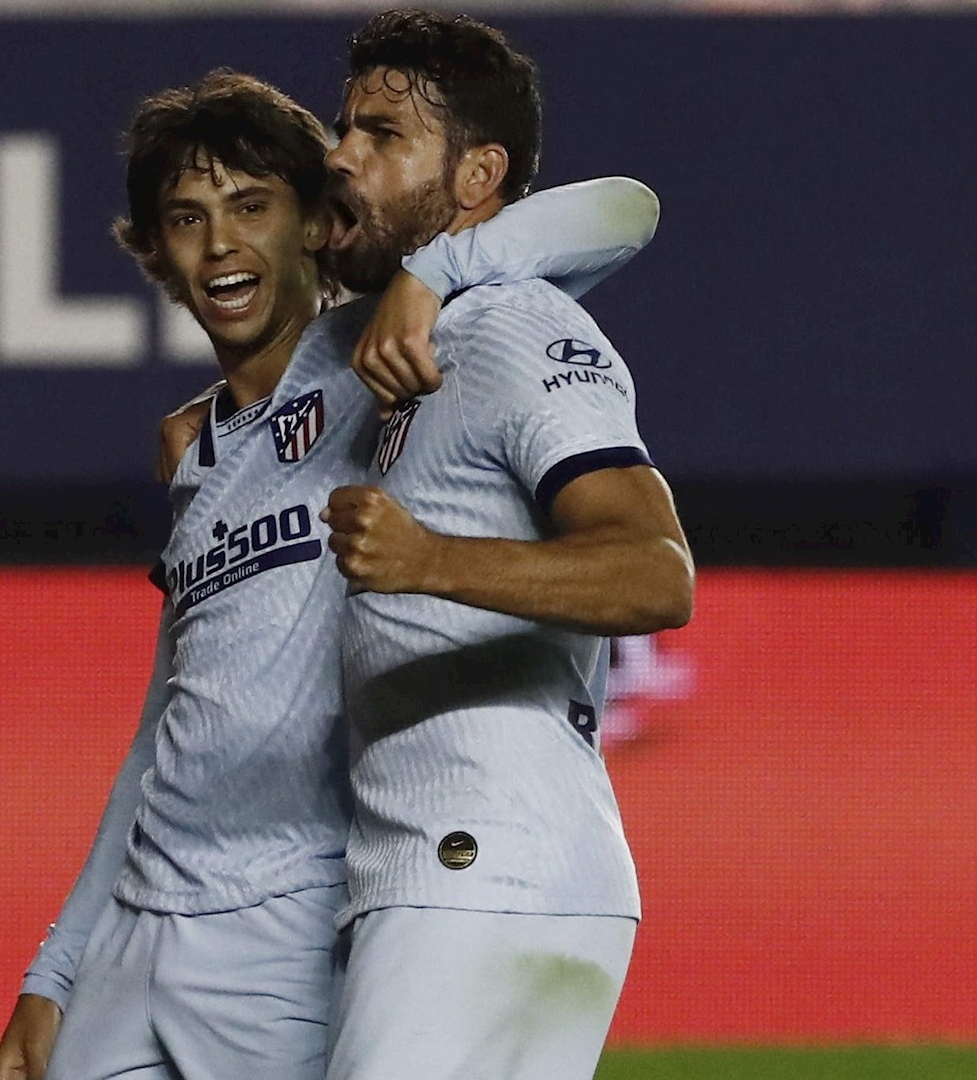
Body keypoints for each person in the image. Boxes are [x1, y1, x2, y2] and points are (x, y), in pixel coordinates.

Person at [0, 67, 660, 1080]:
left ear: (318, 225)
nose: (219, 244)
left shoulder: (386, 360)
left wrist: (434, 273)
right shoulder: (193, 452)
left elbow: (624, 212)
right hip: (137, 931)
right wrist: (57, 966)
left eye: (252, 207)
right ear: (158, 256)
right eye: (185, 218)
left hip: (292, 928)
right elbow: (164, 731)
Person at [316, 11, 693, 1079]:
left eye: (383, 134)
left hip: (479, 866)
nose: (343, 153)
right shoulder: (390, 346)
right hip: (447, 872)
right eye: (345, 128)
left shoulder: (513, 324)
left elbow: (656, 571)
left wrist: (431, 562)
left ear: (479, 174)